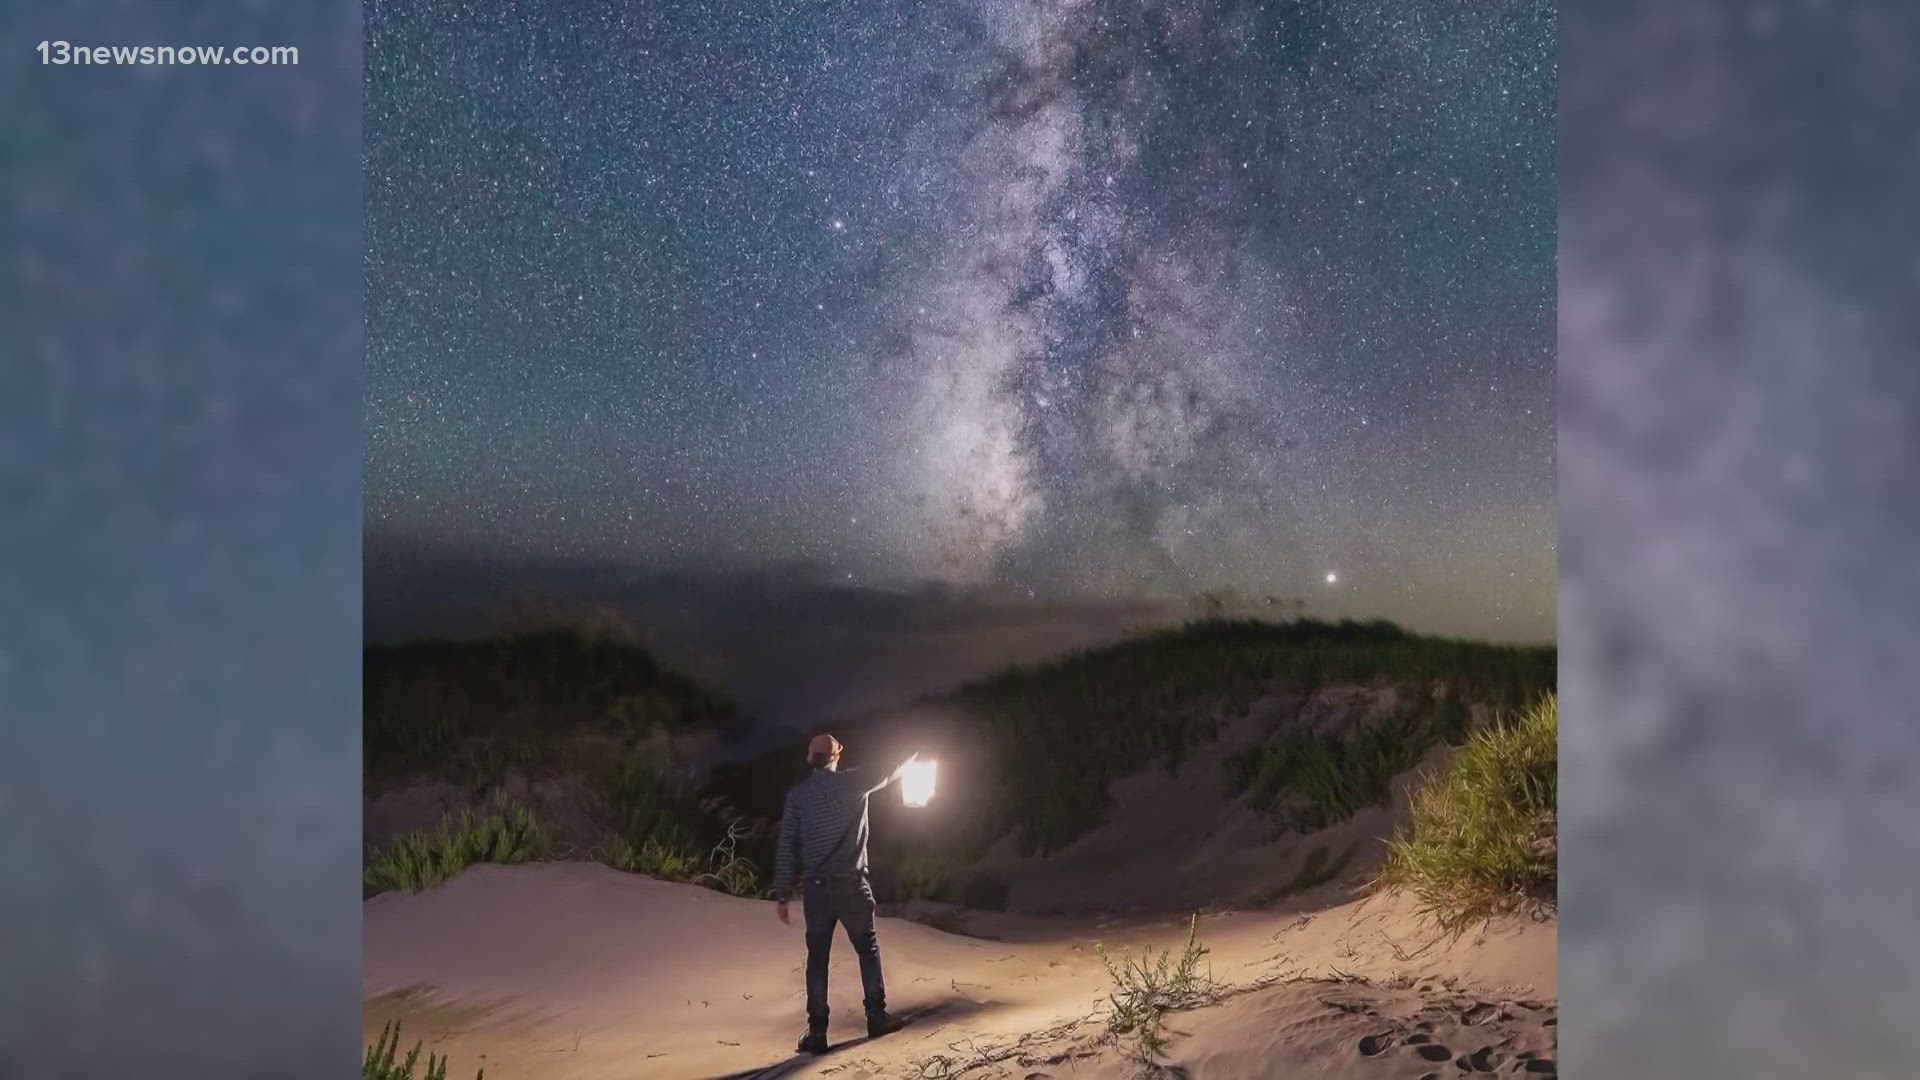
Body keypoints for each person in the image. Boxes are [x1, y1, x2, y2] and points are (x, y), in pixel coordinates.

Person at [772, 733, 919, 1054]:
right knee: (867, 948)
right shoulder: (855, 782)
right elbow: (892, 768)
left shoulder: (797, 796)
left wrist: (782, 892)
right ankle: (876, 1017)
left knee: (818, 959)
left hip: (815, 889)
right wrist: (914, 751)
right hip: (851, 883)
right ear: (837, 754)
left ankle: (817, 1033)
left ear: (810, 759)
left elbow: (786, 845)